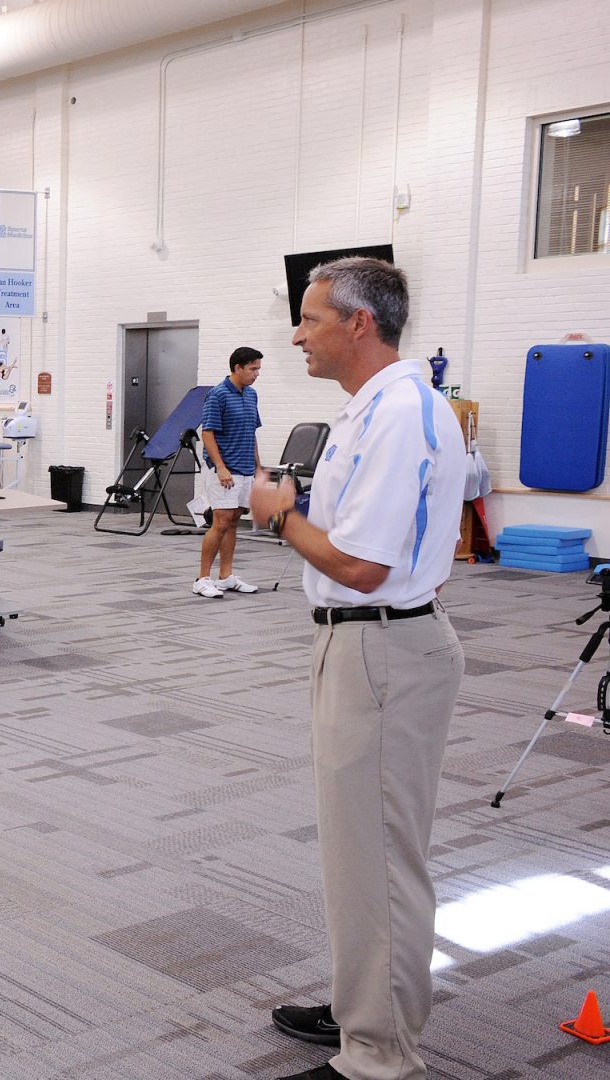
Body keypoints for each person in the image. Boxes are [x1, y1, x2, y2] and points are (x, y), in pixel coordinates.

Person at [249, 258, 465, 1080]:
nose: (297, 335)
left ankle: (377, 1057)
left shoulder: (402, 411)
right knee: (358, 850)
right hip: (368, 642)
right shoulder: (377, 409)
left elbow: (365, 565)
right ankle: (361, 1010)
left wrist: (281, 516)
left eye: (309, 320)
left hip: (382, 641)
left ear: (359, 325)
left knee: (376, 855)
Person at [193, 346, 265, 597]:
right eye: (253, 369)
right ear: (238, 368)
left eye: (258, 368)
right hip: (223, 469)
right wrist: (221, 467)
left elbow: (251, 432)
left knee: (234, 521)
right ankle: (202, 579)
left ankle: (226, 576)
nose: (257, 373)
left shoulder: (251, 395)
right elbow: (207, 433)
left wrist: (258, 467)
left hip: (245, 468)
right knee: (221, 521)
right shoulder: (218, 395)